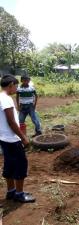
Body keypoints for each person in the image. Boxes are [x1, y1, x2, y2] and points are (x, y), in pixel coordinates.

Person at [0, 75, 35, 203]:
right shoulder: (6, 99)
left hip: (3, 138)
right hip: (11, 139)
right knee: (21, 164)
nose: (17, 88)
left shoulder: (0, 97)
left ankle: (11, 191)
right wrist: (23, 137)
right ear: (10, 85)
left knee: (9, 163)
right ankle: (19, 194)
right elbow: (11, 121)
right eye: (15, 86)